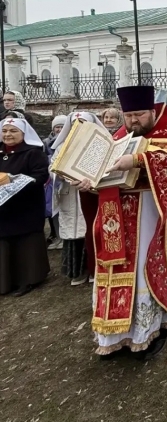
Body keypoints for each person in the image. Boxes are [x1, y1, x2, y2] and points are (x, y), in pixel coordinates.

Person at [79, 86, 167, 361]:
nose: (133, 120)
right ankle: (113, 336)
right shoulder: (119, 136)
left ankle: (147, 331)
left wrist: (138, 159)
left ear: (151, 111)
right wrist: (87, 182)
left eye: (139, 114)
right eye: (128, 115)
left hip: (150, 214)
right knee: (112, 269)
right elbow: (102, 171)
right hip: (114, 215)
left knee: (143, 269)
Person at [52, 112, 105, 285]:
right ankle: (77, 271)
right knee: (74, 232)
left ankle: (95, 269)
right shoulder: (62, 147)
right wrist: (64, 175)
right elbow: (53, 167)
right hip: (70, 195)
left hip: (92, 194)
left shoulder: (100, 144)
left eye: (83, 123)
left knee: (93, 230)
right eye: (75, 123)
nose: (79, 127)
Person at [0, 117, 50, 297]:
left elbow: (41, 175)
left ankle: (28, 279)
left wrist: (16, 183)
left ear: (23, 133)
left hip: (26, 206)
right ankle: (5, 282)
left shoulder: (33, 152)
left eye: (13, 131)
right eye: (5, 130)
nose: (8, 134)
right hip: (3, 209)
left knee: (25, 244)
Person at [44, 115, 67, 249]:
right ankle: (57, 236)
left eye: (62, 127)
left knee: (64, 210)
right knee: (53, 210)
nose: (59, 129)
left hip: (65, 180)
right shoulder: (47, 142)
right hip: (51, 180)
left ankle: (64, 238)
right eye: (57, 127)